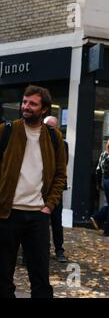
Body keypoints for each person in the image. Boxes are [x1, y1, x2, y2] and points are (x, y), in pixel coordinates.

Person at [0, 85, 67, 298]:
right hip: (7, 214)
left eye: (32, 104)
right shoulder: (7, 131)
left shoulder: (54, 137)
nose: (26, 107)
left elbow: (60, 175)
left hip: (38, 216)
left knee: (40, 280)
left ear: (44, 109)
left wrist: (49, 206)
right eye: (24, 102)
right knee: (2, 278)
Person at [43, 115, 69, 263]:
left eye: (52, 128)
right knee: (41, 222)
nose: (50, 130)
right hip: (40, 189)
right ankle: (42, 249)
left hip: (55, 188)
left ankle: (59, 250)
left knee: (56, 220)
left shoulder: (62, 144)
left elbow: (61, 166)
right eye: (47, 127)